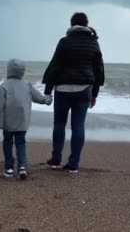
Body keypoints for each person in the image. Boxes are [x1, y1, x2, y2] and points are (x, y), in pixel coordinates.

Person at [42, 12, 105, 173]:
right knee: (78, 126)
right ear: (86, 24)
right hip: (84, 90)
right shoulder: (93, 43)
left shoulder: (64, 42)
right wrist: (95, 94)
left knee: (59, 124)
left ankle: (56, 160)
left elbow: (54, 66)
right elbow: (99, 71)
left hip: (62, 90)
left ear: (71, 25)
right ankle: (73, 164)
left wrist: (48, 91)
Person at [0, 59, 52, 180]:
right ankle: (22, 167)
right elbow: (39, 98)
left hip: (7, 123)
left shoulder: (4, 85)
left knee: (7, 143)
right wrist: (48, 99)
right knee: (21, 143)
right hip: (22, 122)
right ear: (22, 71)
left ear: (9, 70)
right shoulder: (27, 84)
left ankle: (9, 169)